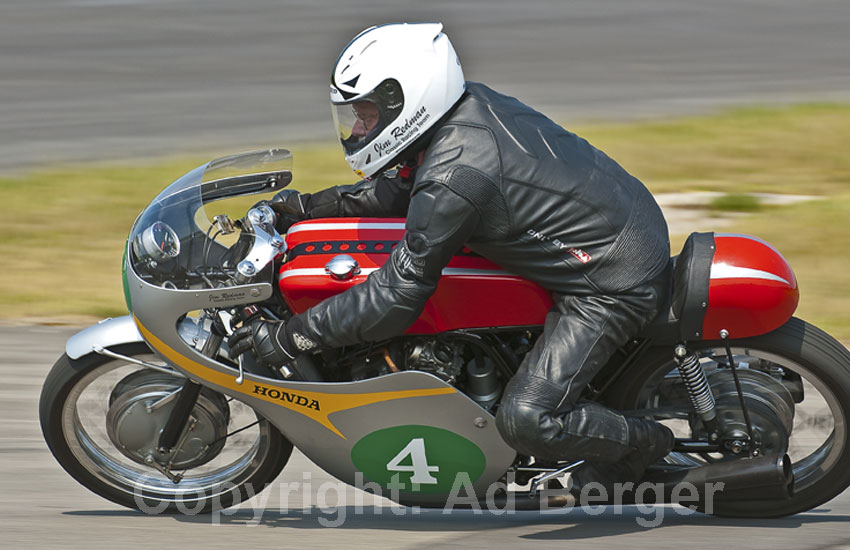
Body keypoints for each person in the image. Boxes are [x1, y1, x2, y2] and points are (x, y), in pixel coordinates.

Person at [229, 22, 675, 488]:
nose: (359, 128)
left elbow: (392, 299)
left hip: (610, 277)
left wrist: (293, 336)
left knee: (526, 419)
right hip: (613, 222)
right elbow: (399, 187)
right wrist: (305, 208)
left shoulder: (454, 176)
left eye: (367, 115)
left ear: (410, 101)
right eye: (356, 116)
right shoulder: (460, 117)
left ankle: (648, 445)